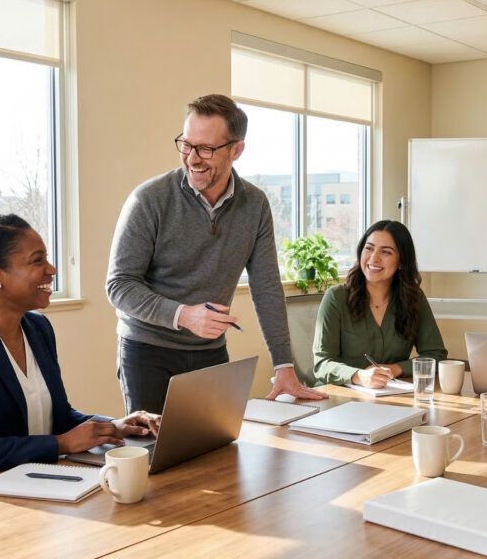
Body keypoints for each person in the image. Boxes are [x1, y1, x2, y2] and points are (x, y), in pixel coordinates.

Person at [106, 94, 326, 414]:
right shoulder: (149, 200)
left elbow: (266, 287)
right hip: (147, 351)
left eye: (206, 149)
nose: (193, 158)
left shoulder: (255, 205)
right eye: (187, 144)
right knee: (155, 458)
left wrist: (283, 365)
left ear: (236, 150)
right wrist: (184, 315)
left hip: (210, 353)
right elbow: (119, 285)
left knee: (215, 453)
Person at [0, 214, 159, 484]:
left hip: (21, 480)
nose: (51, 269)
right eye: (37, 260)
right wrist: (60, 444)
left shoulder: (37, 328)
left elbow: (56, 416)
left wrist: (116, 426)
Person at [313, 220, 447, 387]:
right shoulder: (336, 298)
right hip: (340, 395)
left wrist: (396, 369)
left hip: (391, 393)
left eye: (386, 252)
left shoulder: (414, 298)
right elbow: (322, 363)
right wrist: (358, 376)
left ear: (401, 262)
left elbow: (436, 354)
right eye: (368, 248)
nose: (374, 258)